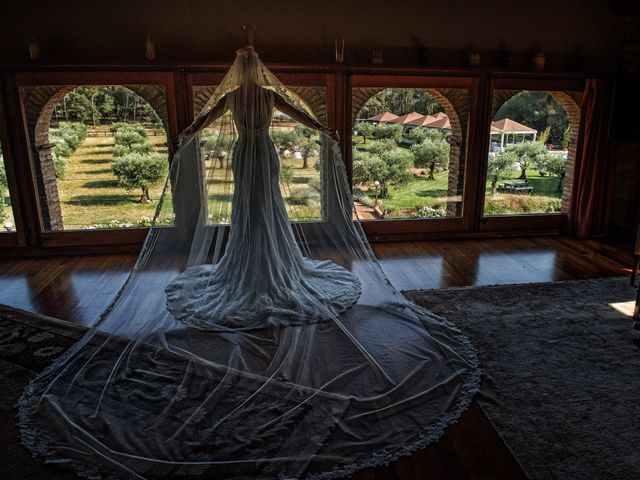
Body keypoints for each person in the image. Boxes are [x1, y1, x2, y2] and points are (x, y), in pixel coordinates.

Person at [165, 46, 361, 330]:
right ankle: (271, 258)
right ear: (258, 69)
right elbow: (299, 114)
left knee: (248, 203)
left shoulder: (232, 97)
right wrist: (324, 129)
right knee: (267, 202)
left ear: (238, 70)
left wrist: (185, 134)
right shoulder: (269, 95)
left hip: (245, 151)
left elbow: (203, 121)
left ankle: (252, 259)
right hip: (264, 151)